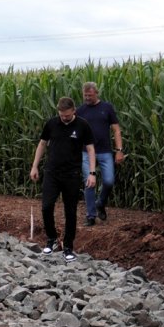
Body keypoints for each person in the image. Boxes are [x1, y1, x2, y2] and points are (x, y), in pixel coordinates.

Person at [29, 96, 96, 263]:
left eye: (67, 115)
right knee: (46, 206)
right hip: (52, 173)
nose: (64, 118)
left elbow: (90, 149)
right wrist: (34, 166)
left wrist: (92, 173)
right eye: (61, 115)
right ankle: (51, 239)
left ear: (74, 110)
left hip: (72, 175)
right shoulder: (52, 124)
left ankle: (68, 247)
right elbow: (42, 144)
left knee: (70, 212)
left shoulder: (82, 125)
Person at [76, 81, 124, 225]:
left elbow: (116, 129)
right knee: (89, 183)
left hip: (105, 151)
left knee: (109, 181)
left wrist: (119, 150)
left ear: (96, 93)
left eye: (90, 95)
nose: (87, 98)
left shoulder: (107, 108)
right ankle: (90, 216)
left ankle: (100, 203)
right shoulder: (80, 111)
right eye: (85, 95)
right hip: (86, 152)